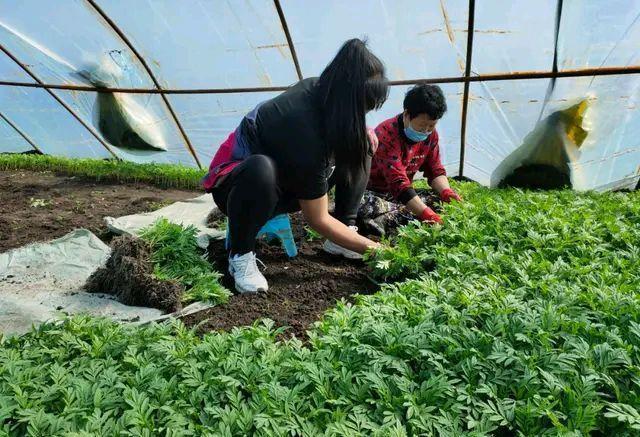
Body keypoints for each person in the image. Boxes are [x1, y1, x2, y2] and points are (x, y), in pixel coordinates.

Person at [202, 39, 388, 293]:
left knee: (362, 141)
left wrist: (362, 129)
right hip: (237, 189)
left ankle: (343, 233)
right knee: (260, 169)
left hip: (284, 180)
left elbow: (340, 132)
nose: (364, 114)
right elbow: (317, 219)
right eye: (362, 109)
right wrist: (377, 250)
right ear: (347, 102)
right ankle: (240, 255)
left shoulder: (323, 92)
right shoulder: (301, 124)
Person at [359, 84, 462, 236]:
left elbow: (435, 170)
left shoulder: (431, 136)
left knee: (439, 200)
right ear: (407, 114)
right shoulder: (386, 134)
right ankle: (385, 220)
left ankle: (385, 221)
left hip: (400, 197)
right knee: (365, 206)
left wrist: (446, 192)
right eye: (421, 126)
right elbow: (398, 182)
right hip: (373, 193)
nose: (426, 131)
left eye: (431, 126)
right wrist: (425, 213)